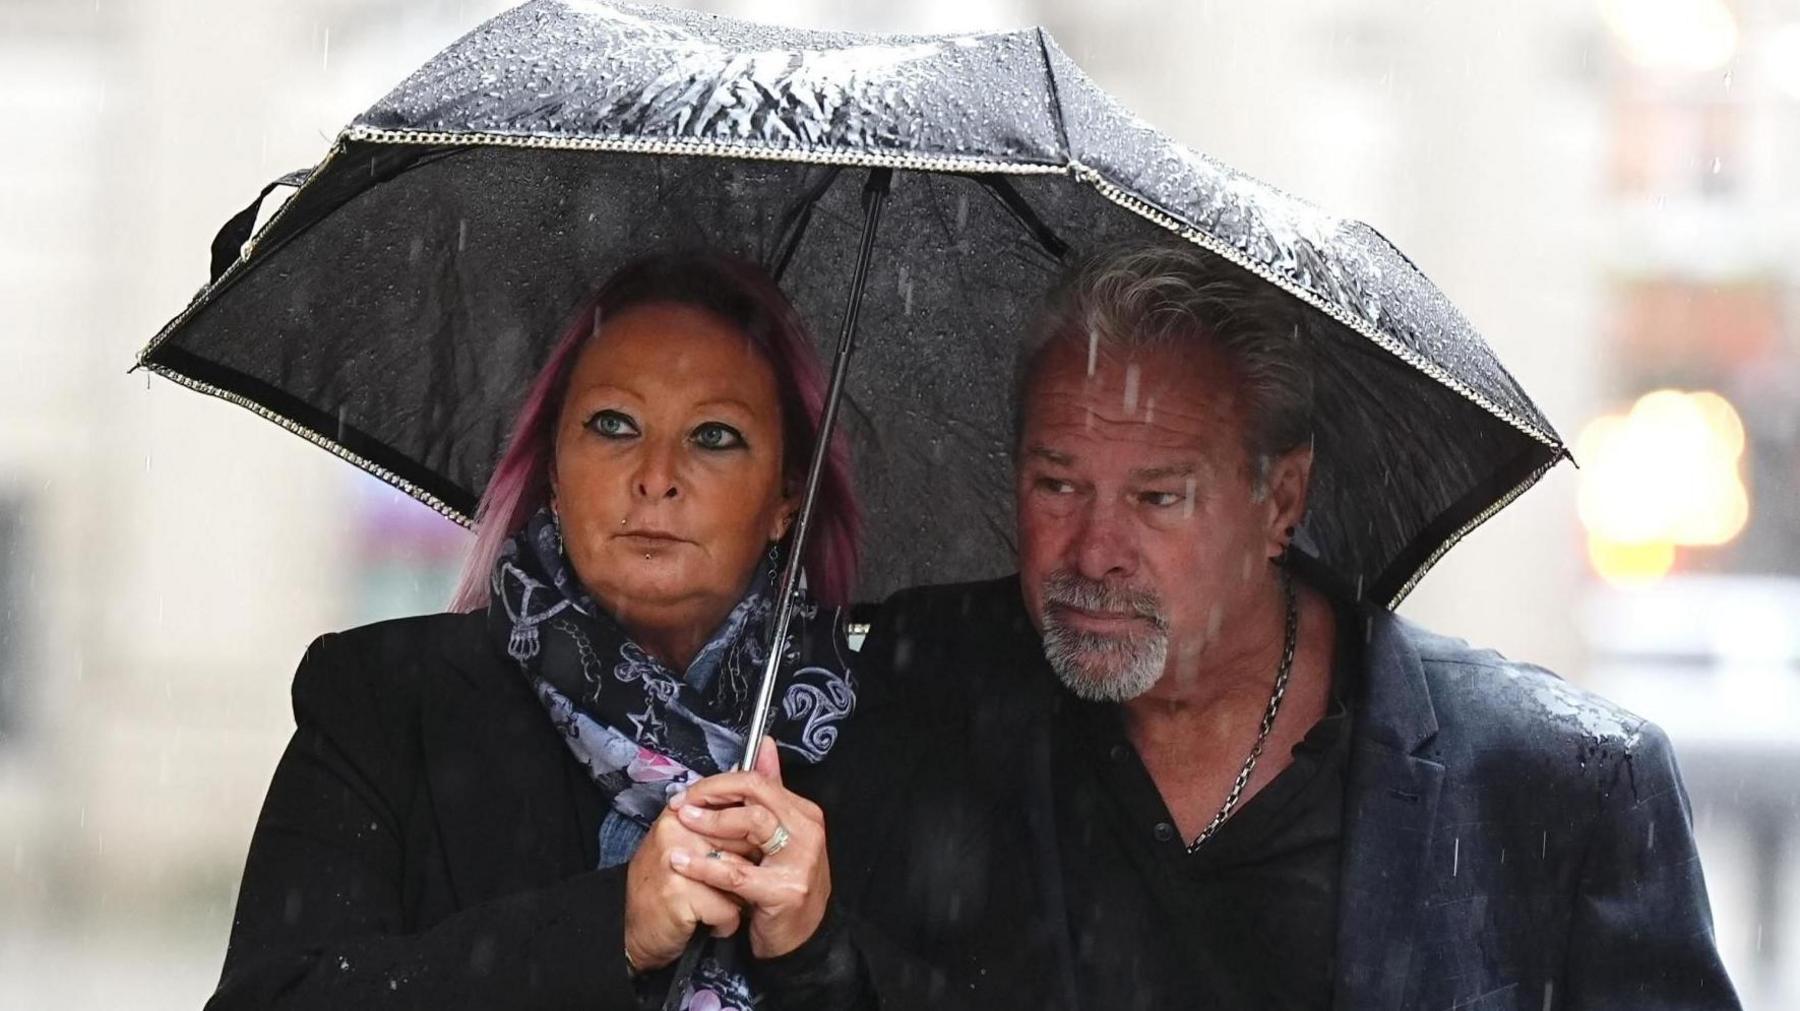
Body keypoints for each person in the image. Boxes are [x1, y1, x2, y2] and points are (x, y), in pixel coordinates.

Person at [830, 241, 1741, 1010]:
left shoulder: (1557, 786)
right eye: (1056, 484)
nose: (1095, 548)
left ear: (1283, 499)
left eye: (1159, 497)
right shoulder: (926, 684)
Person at [209, 251, 874, 1009]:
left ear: (788, 493)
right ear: (555, 469)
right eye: (614, 425)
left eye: (714, 435)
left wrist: (814, 957)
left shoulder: (879, 739)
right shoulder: (387, 703)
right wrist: (611, 928)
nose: (657, 475)